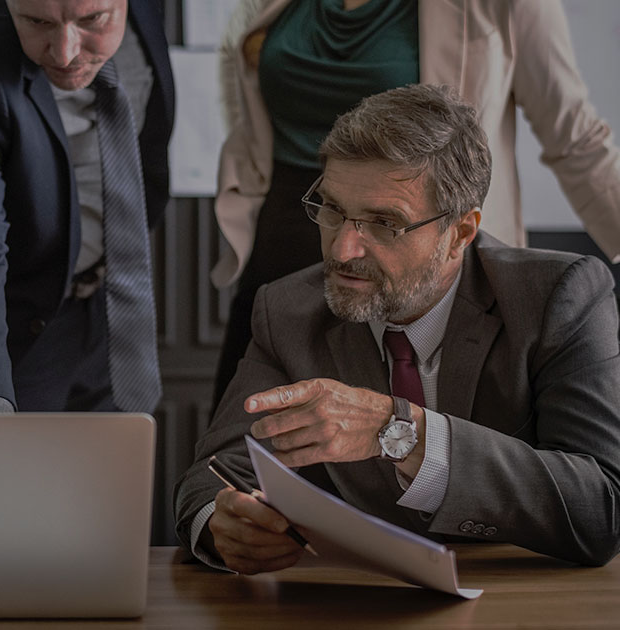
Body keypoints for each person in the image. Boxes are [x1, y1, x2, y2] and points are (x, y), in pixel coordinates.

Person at [175, 84, 620, 573]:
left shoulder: (557, 297)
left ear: (460, 233)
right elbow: (216, 472)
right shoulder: (286, 308)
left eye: (384, 223)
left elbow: (602, 509)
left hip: (524, 600)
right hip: (353, 601)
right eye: (333, 210)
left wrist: (401, 432)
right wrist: (223, 522)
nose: (342, 250)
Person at [210, 0, 620, 412]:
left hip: (419, 252)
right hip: (287, 240)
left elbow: (577, 140)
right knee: (250, 443)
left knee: (418, 446)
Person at [0, 0, 174, 413]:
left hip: (115, 308)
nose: (65, 53)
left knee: (116, 473)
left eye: (91, 20)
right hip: (13, 331)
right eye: (37, 22)